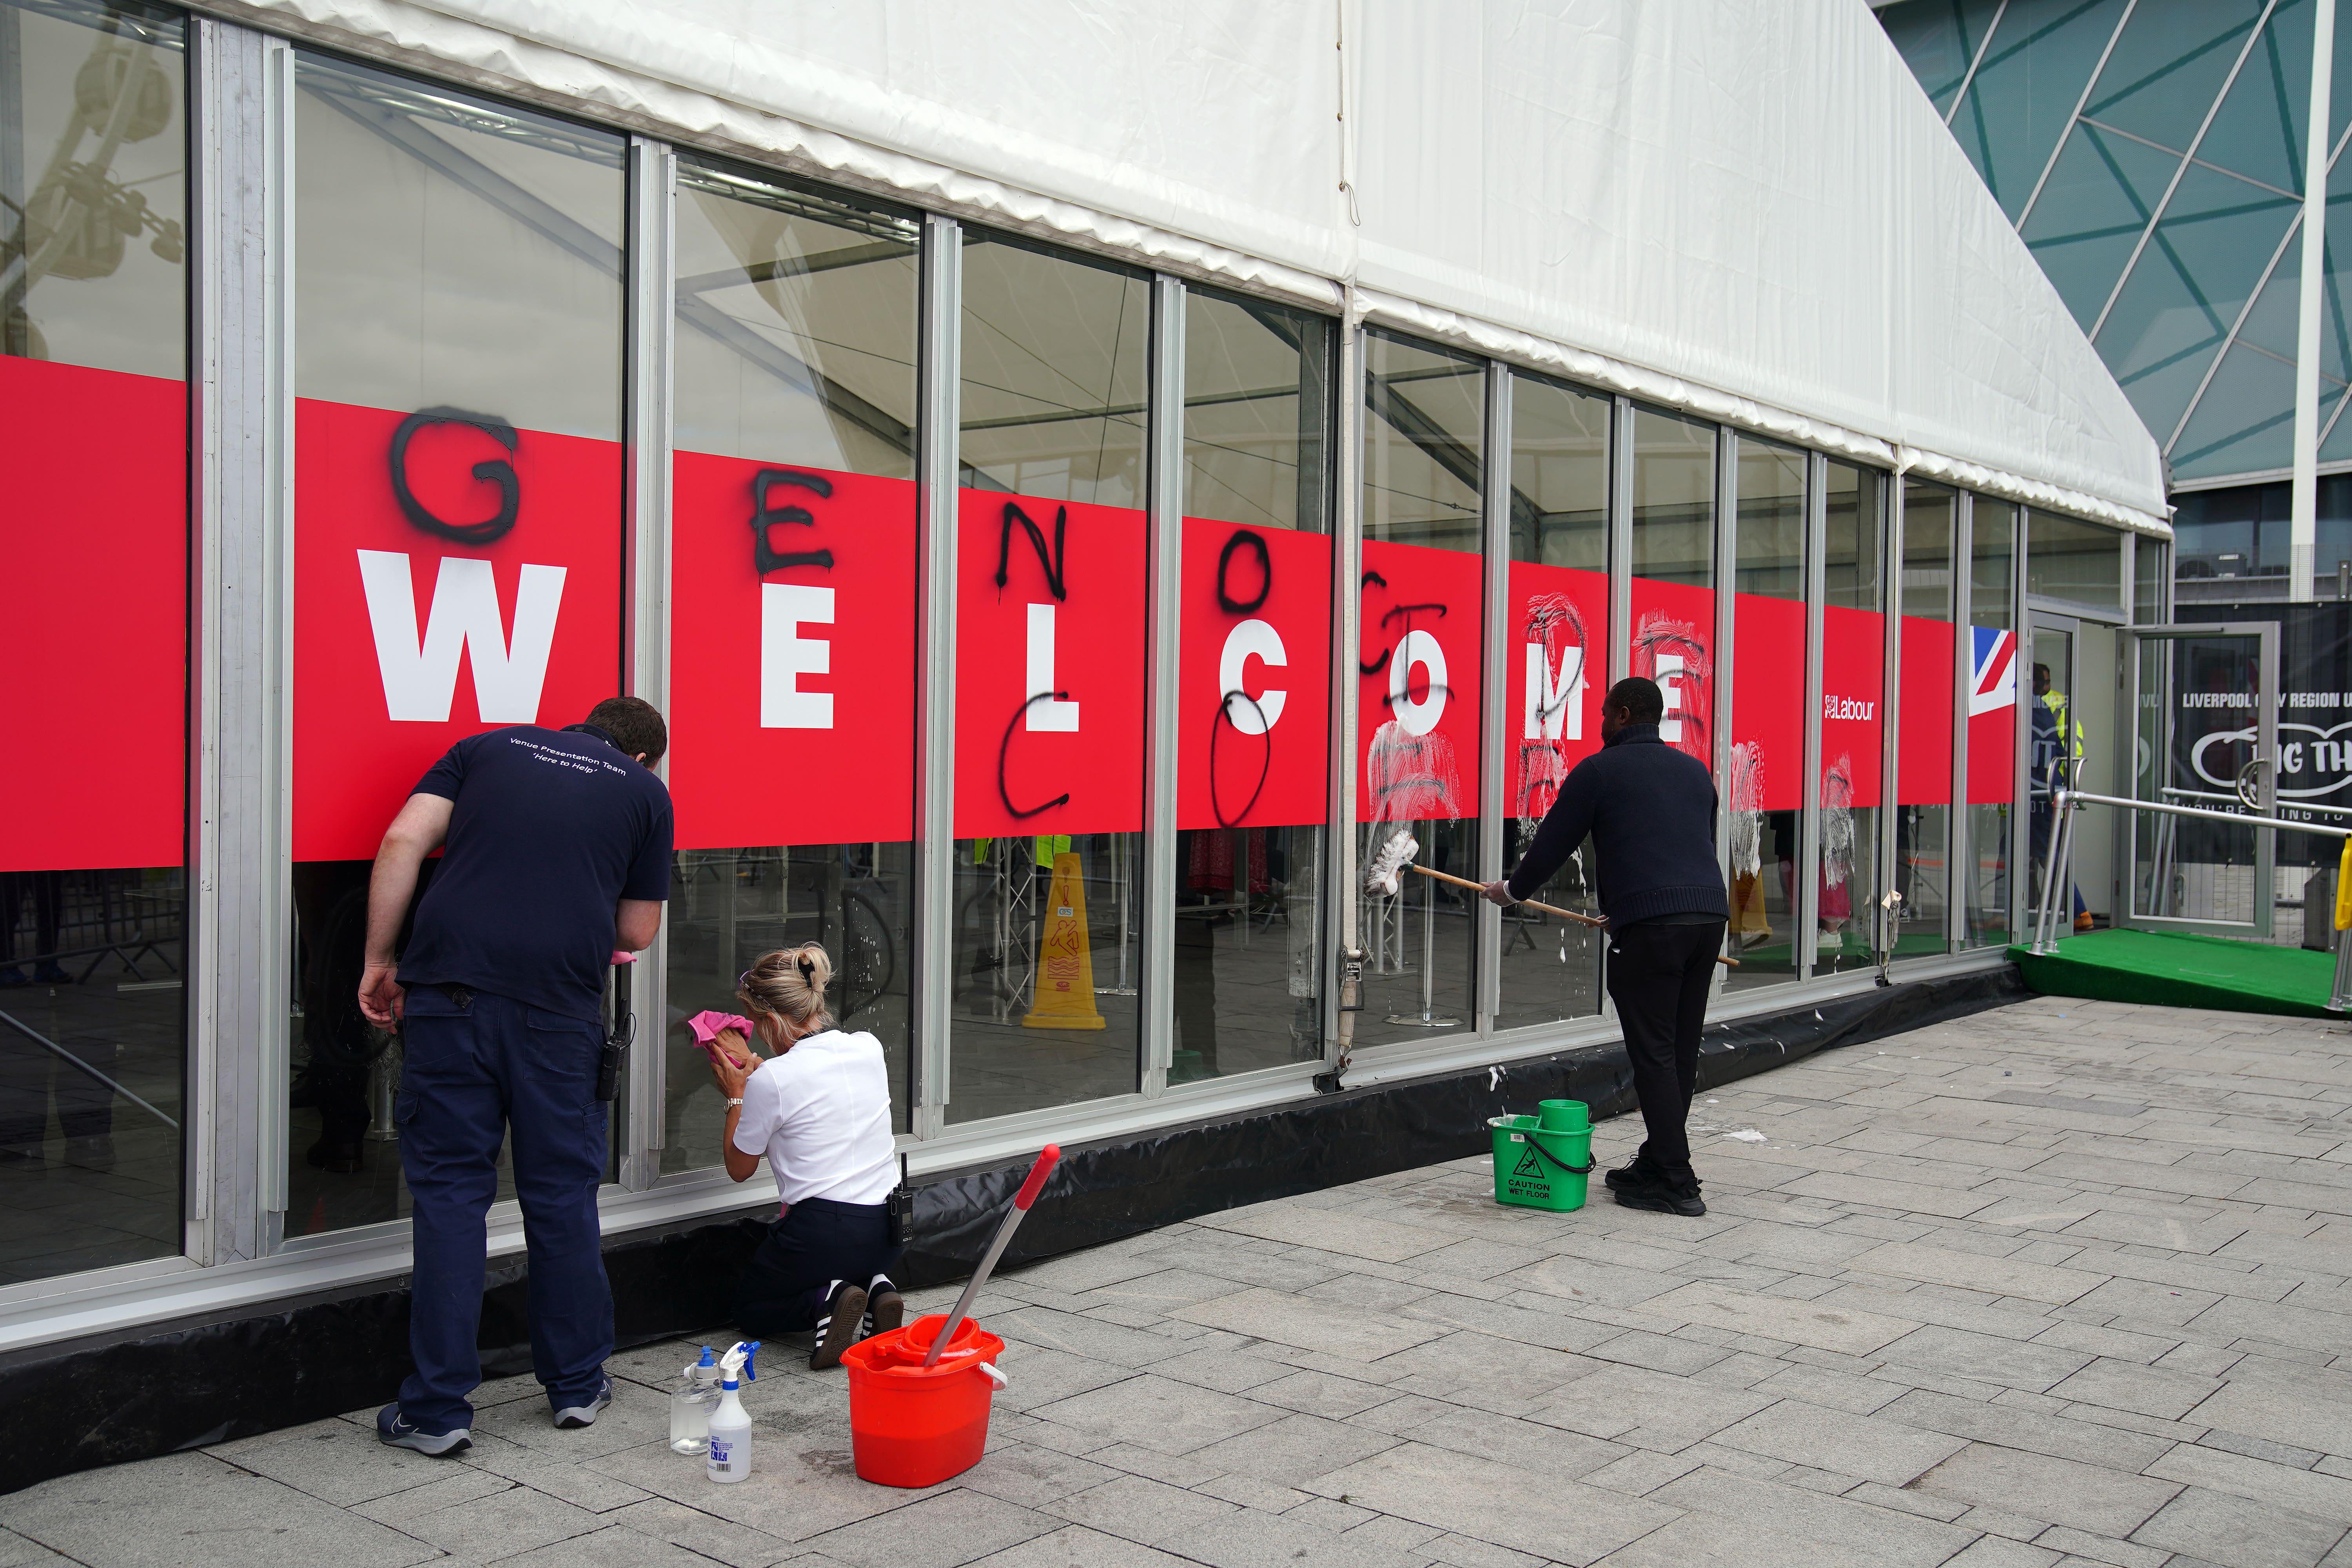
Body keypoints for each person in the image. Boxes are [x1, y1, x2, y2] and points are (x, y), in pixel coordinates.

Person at [358, 697, 674, 1456]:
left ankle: (436, 1411)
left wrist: (379, 959)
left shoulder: (486, 749)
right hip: (556, 1018)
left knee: (449, 1199)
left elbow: (404, 838)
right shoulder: (643, 794)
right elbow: (636, 931)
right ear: (643, 758)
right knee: (562, 1198)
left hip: (448, 1001)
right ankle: (574, 1386)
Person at [1484, 675, 1728, 1217]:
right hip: (1707, 918)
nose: (1598, 723)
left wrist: (1512, 892)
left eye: (1602, 713)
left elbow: (1552, 844)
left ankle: (1675, 1178)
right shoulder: (1693, 771)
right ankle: (1658, 1158)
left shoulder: (1599, 771)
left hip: (1653, 931)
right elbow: (1685, 844)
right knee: (1680, 1048)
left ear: (1620, 716)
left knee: (1654, 1052)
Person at [703, 944, 904, 1369]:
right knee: (851, 1260)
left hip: (822, 1232)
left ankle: (825, 1300)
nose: (757, 1033)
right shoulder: (867, 1047)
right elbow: (813, 1086)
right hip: (888, 1229)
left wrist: (737, 1096)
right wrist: (761, 1072)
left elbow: (740, 1168)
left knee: (751, 1308)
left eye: (758, 1022)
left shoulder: (771, 1080)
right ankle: (877, 1287)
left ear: (773, 1019)